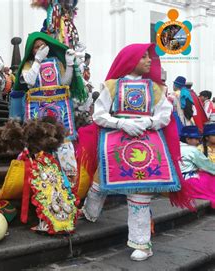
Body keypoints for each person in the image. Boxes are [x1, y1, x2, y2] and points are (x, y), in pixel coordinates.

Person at [78, 43, 191, 261]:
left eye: (149, 58)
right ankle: (90, 212)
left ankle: (142, 243)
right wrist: (121, 124)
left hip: (147, 142)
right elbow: (99, 115)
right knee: (101, 180)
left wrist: (149, 121)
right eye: (144, 57)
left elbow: (164, 115)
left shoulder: (156, 89)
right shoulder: (111, 86)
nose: (150, 61)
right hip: (116, 141)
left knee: (140, 190)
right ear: (131, 60)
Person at [12, 31, 86, 184]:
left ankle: (70, 193)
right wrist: (37, 61)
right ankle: (45, 196)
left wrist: (70, 63)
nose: (40, 49)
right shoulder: (27, 66)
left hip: (60, 117)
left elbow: (64, 83)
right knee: (42, 158)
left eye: (42, 46)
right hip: (38, 118)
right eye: (36, 47)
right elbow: (30, 82)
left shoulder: (57, 63)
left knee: (67, 157)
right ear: (31, 51)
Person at [0, 117, 78, 234]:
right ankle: (55, 221)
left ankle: (50, 222)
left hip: (46, 175)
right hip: (46, 172)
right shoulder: (44, 158)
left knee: (46, 193)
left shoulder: (44, 159)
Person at [179, 125, 215, 208]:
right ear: (188, 139)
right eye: (196, 139)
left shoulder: (174, 147)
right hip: (189, 182)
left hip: (177, 182)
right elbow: (208, 166)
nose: (198, 142)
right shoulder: (192, 150)